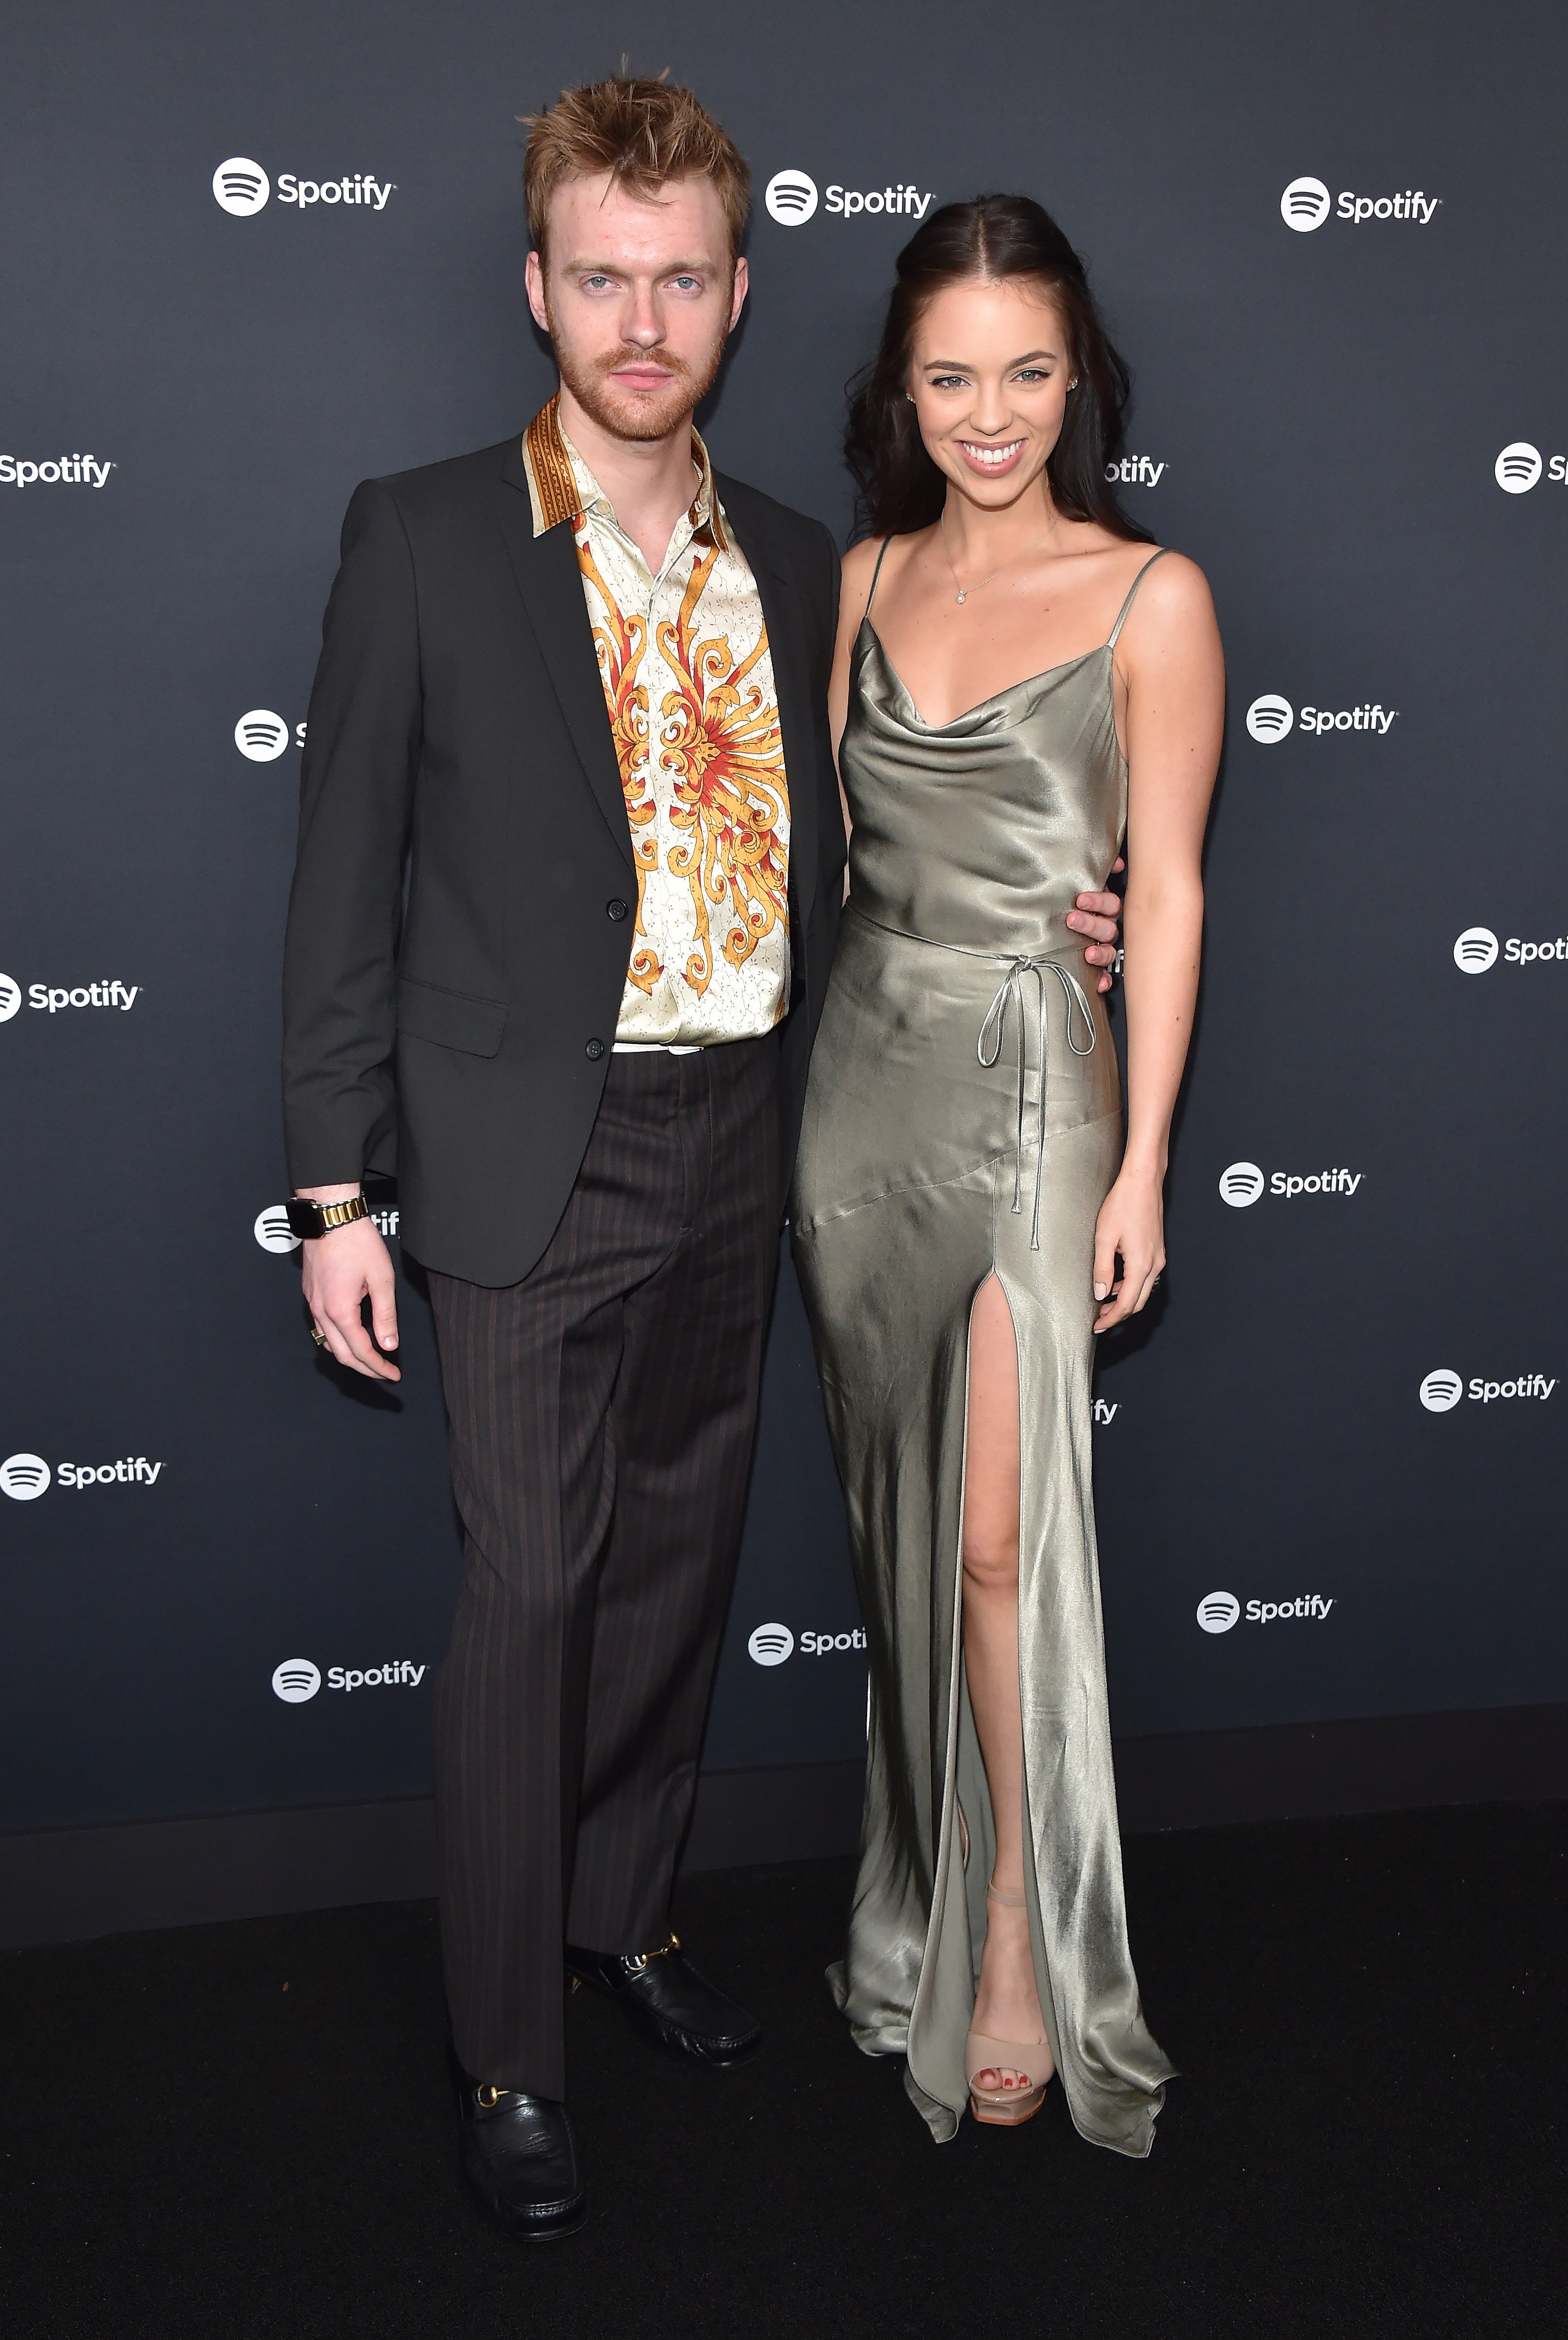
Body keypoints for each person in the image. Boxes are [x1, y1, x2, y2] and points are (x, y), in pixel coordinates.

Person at [279, 81, 1133, 2238]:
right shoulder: (419, 530)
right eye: (600, 275)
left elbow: (900, 835)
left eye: (679, 279)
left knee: (669, 1572)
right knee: (532, 1591)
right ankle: (505, 2044)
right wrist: (334, 1196)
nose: (639, 318)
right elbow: (336, 888)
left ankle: (622, 1923)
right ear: (538, 288)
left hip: (748, 1131)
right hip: (507, 1160)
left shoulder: (797, 556)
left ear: (737, 298)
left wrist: (1054, 909)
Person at [793, 195, 1223, 2153]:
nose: (991, 414)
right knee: (902, 1546)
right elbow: (837, 877)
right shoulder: (864, 580)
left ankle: (1025, 1956)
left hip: (1044, 1086)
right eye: (952, 376)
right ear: (904, 384)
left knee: (993, 1538)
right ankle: (927, 1886)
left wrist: (1146, 1160)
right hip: (860, 1090)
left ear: (1080, 375)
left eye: (1028, 372)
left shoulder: (1154, 598)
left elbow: (1179, 884)